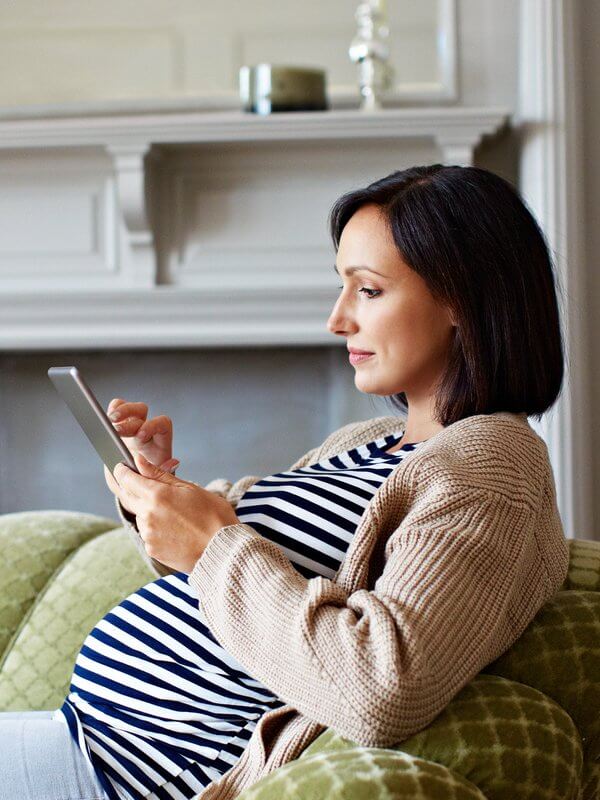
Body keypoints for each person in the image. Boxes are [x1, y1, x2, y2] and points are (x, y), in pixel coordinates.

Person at [0, 164, 569, 800]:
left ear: (461, 299)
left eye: (369, 291)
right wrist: (159, 494)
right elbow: (245, 567)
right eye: (340, 287)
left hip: (132, 778)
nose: (337, 320)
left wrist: (212, 543)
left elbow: (384, 684)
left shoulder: (494, 472)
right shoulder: (365, 444)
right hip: (87, 737)